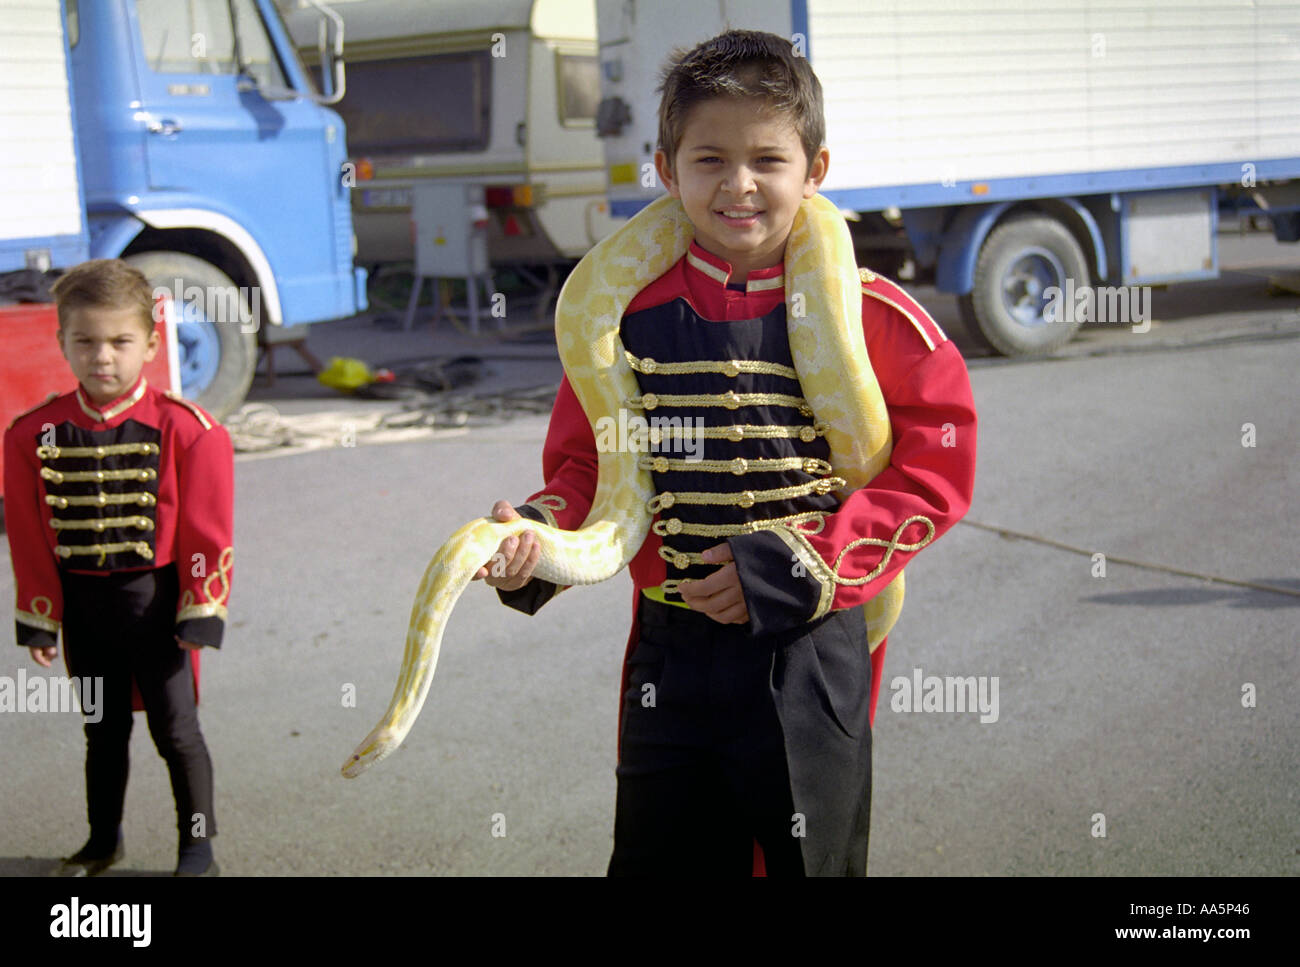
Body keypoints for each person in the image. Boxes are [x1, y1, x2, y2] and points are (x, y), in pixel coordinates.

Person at [473, 29, 977, 875]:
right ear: (667, 172)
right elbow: (587, 470)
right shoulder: (619, 319)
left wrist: (791, 569)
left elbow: (933, 472)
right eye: (709, 159)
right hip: (671, 650)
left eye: (767, 160)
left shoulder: (877, 315)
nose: (738, 185)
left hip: (810, 646)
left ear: (815, 170)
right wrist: (535, 538)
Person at [3, 259, 233, 877]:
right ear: (62, 343)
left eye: (120, 342)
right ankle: (103, 843)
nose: (102, 357)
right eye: (85, 341)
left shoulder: (189, 430)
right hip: (84, 610)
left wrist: (200, 613)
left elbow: (206, 532)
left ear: (152, 345)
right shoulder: (32, 434)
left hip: (157, 606)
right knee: (101, 734)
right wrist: (40, 620)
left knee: (177, 732)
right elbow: (29, 536)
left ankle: (198, 851)